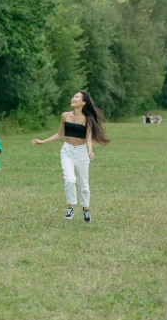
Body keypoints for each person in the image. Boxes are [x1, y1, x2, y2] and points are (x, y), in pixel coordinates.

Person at [31, 91, 110, 222]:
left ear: (83, 102)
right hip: (66, 151)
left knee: (83, 184)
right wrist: (42, 141)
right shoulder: (65, 115)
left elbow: (89, 139)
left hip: (81, 152)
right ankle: (70, 207)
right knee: (69, 180)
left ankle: (85, 209)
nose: (73, 98)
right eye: (73, 96)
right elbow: (59, 134)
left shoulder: (87, 119)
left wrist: (90, 151)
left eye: (77, 97)